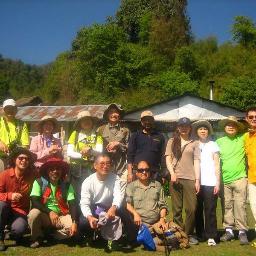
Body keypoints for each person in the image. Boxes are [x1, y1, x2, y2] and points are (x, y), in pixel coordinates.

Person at [28, 157, 78, 248]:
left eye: (58, 169)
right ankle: (36, 238)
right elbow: (34, 201)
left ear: (62, 171)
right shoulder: (39, 182)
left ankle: (51, 235)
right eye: (52, 169)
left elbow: (72, 204)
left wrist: (74, 222)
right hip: (45, 215)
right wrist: (50, 212)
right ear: (47, 171)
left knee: (73, 229)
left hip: (61, 215)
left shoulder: (67, 185)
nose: (55, 171)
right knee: (33, 213)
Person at [165, 117, 200, 245]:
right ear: (178, 127)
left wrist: (197, 180)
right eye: (181, 126)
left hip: (190, 178)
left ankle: (189, 233)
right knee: (177, 209)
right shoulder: (171, 141)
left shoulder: (194, 143)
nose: (184, 128)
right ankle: (179, 233)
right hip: (175, 178)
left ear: (190, 128)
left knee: (192, 209)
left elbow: (196, 161)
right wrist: (172, 174)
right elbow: (168, 159)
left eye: (186, 126)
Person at [79, 154, 123, 251]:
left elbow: (118, 195)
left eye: (108, 163)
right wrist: (90, 217)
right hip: (95, 208)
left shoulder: (115, 178)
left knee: (124, 212)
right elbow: (84, 202)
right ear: (95, 166)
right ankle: (90, 235)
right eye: (102, 163)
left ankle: (119, 237)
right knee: (83, 222)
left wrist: (114, 207)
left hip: (110, 207)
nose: (105, 166)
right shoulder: (88, 181)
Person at [216, 116, 248, 245]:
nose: (230, 126)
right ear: (224, 127)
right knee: (227, 205)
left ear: (237, 128)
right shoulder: (219, 141)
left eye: (233, 125)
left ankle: (242, 232)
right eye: (228, 125)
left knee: (240, 205)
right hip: (225, 180)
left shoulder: (243, 138)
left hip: (240, 178)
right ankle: (228, 231)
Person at [0, 147, 36, 251]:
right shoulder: (4, 175)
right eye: (21, 158)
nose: (24, 161)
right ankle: (0, 237)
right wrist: (10, 196)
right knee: (1, 205)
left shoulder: (32, 175)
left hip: (20, 211)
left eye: (27, 159)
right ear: (14, 160)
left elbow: (45, 177)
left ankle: (9, 232)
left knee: (19, 230)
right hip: (4, 208)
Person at [125, 160, 168, 243]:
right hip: (138, 224)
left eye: (146, 170)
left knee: (172, 239)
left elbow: (163, 205)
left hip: (156, 223)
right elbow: (127, 204)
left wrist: (162, 219)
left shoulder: (157, 185)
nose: (144, 172)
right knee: (156, 242)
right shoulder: (131, 186)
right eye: (141, 170)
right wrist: (135, 214)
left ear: (150, 171)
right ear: (136, 173)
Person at [192, 120, 220, 246]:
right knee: (197, 209)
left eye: (205, 129)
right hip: (197, 182)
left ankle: (211, 236)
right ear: (197, 131)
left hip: (210, 181)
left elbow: (217, 164)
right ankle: (200, 235)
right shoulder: (194, 144)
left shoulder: (213, 144)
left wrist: (217, 182)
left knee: (210, 210)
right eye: (200, 129)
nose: (203, 131)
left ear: (208, 131)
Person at [67, 110, 103, 200]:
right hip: (77, 169)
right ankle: (81, 213)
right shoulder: (75, 134)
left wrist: (90, 150)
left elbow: (100, 151)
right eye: (83, 120)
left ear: (92, 121)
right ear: (80, 123)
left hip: (93, 168)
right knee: (79, 193)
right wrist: (82, 155)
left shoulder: (97, 134)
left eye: (88, 120)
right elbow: (69, 152)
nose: (86, 122)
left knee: (93, 191)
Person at [97, 103, 130, 192]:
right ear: (107, 115)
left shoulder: (125, 130)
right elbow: (96, 148)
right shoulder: (100, 129)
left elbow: (130, 148)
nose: (114, 115)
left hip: (121, 169)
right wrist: (106, 150)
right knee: (106, 194)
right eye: (111, 112)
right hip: (105, 169)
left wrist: (118, 144)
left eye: (116, 112)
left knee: (121, 195)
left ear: (119, 115)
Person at [127, 110, 166, 183]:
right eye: (145, 120)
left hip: (154, 173)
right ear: (141, 122)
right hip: (138, 172)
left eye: (150, 120)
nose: (147, 122)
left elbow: (162, 156)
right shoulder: (135, 135)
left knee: (154, 194)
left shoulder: (160, 136)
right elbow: (130, 155)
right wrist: (130, 173)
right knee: (137, 194)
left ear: (153, 121)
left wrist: (163, 174)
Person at [0, 99, 29, 171]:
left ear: (16, 110)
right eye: (7, 108)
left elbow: (25, 145)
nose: (10, 111)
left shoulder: (22, 124)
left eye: (12, 108)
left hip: (17, 156)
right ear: (3, 110)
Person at [245, 107, 256, 236]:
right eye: (251, 117)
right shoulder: (246, 137)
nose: (254, 119)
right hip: (252, 178)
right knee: (254, 207)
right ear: (247, 119)